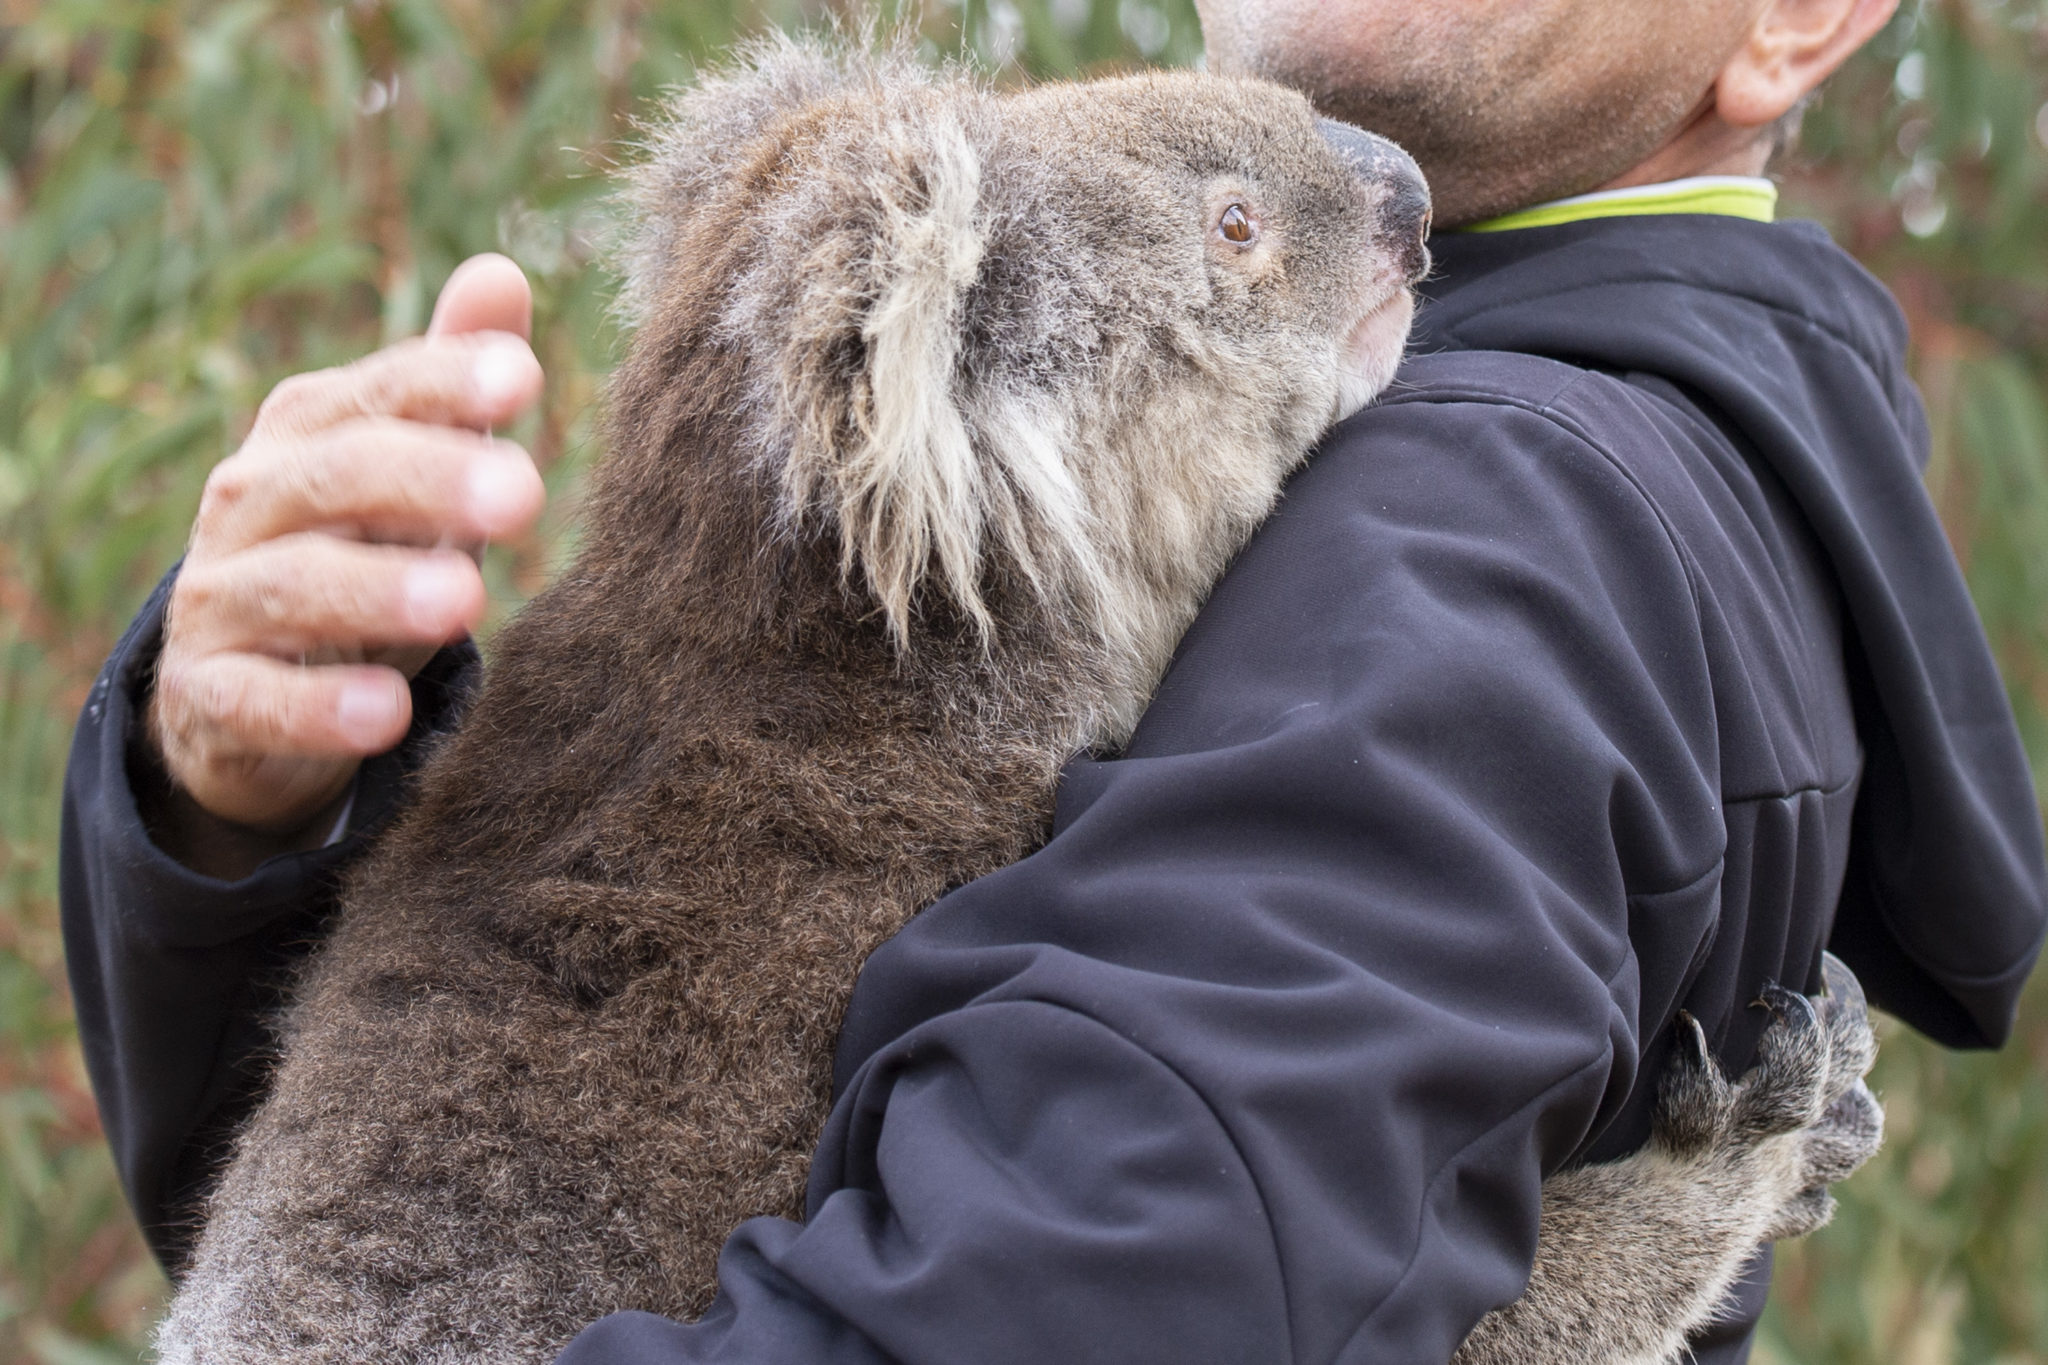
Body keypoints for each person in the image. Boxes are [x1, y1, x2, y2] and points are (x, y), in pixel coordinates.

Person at [61, 0, 2047, 1360]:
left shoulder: (1474, 522)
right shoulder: (1058, 562)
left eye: (1251, 221)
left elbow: (1118, 1300)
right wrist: (239, 799)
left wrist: (1661, 1228)